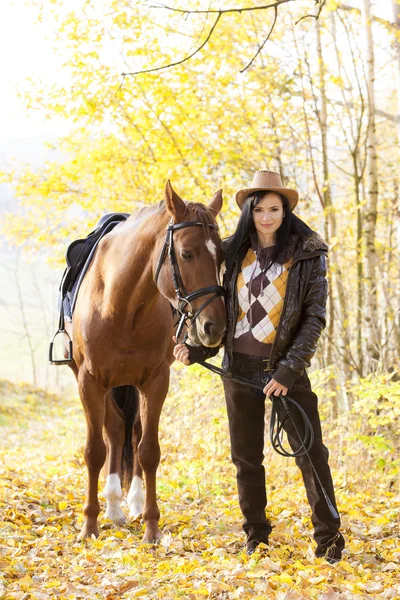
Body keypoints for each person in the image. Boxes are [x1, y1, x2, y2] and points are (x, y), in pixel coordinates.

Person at [173, 170, 345, 563]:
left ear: (285, 211)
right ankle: (256, 536)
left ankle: (330, 539)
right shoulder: (232, 251)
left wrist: (287, 372)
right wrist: (197, 349)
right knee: (246, 459)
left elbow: (314, 318)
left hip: (284, 370)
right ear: (249, 211)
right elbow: (218, 310)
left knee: (310, 453)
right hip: (238, 369)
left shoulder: (307, 253)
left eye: (274, 209)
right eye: (259, 209)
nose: (266, 216)